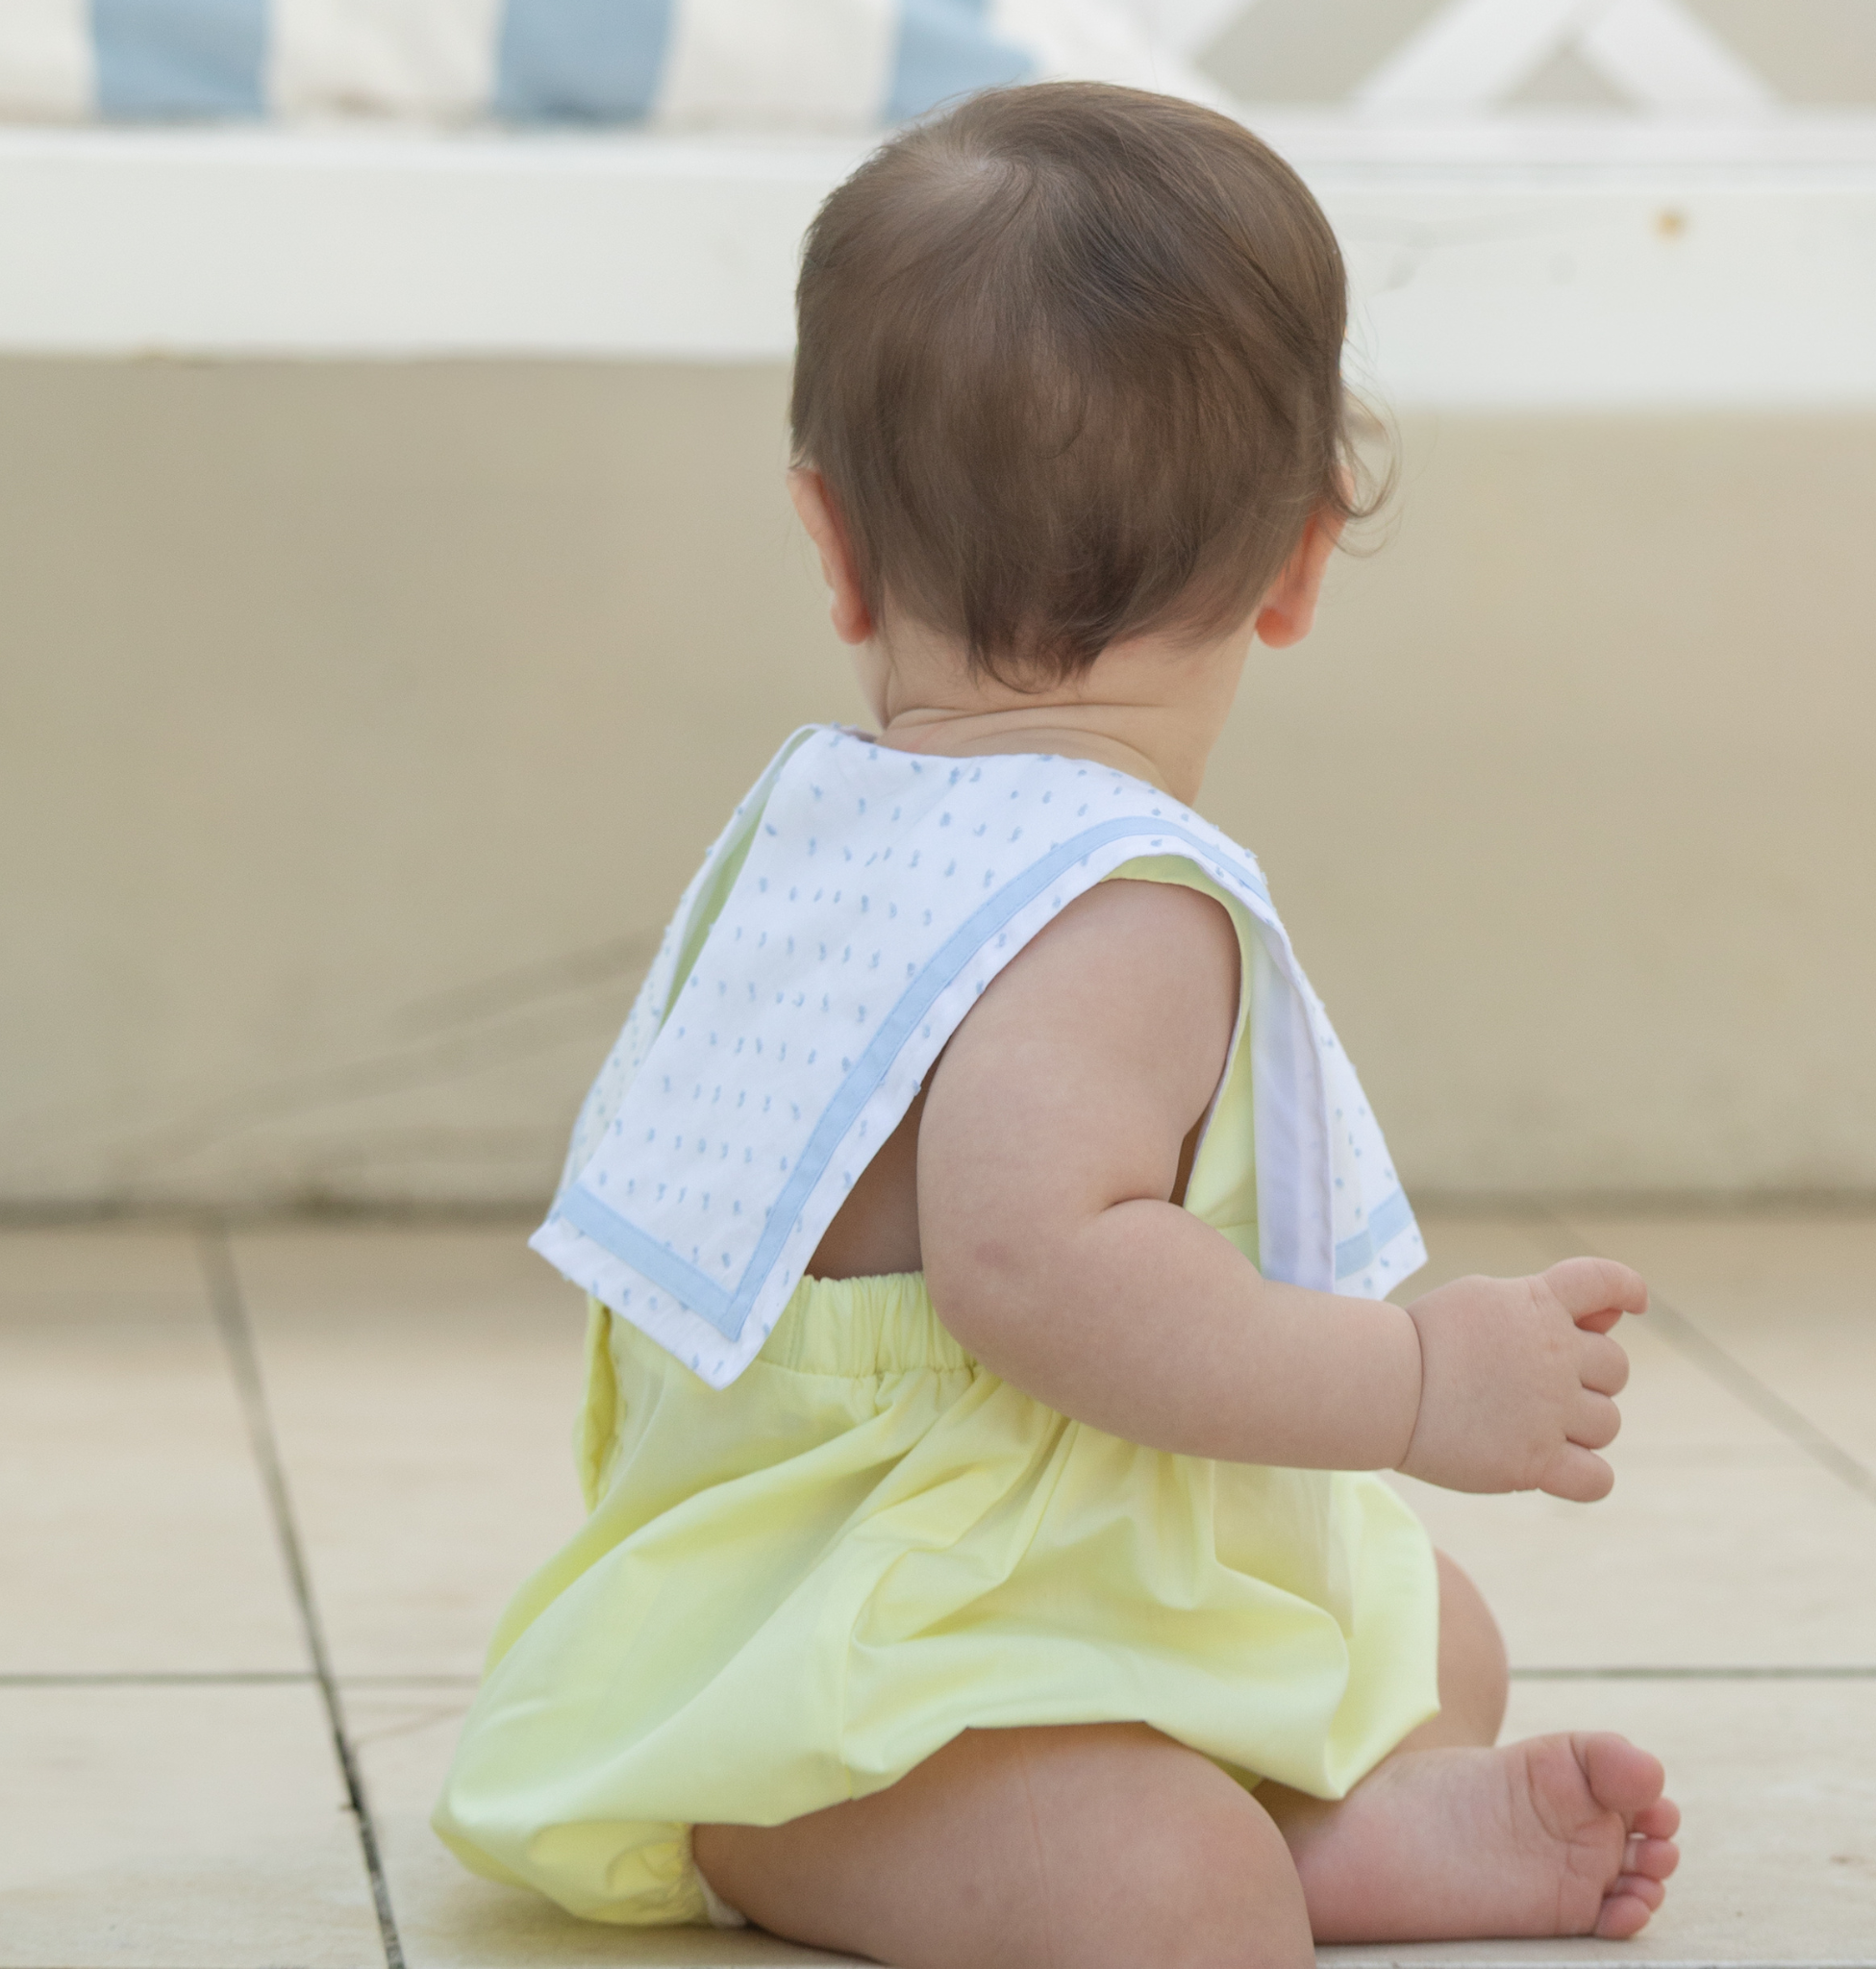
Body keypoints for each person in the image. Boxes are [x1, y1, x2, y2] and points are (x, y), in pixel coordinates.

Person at [435, 81, 1680, 1966]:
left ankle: (1305, 1834)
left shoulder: (824, 823)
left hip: (1034, 1554)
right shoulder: (1114, 909)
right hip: (890, 1638)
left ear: (832, 546)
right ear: (1298, 569)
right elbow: (1032, 1273)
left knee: (1437, 1634)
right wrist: (1410, 1383)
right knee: (1166, 1894)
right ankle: (822, 1827)